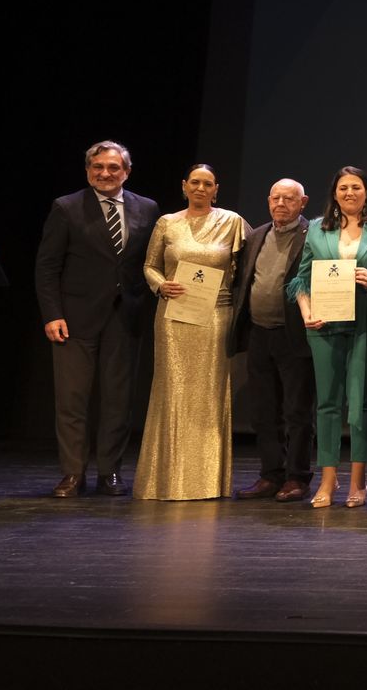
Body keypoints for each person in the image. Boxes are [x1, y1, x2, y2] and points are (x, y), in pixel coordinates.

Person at [35, 140, 160, 498]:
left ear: (127, 171)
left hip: (126, 318)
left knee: (118, 401)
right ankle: (73, 473)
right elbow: (47, 267)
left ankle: (110, 473)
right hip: (74, 319)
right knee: (72, 400)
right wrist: (52, 314)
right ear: (88, 170)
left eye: (113, 168)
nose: (105, 174)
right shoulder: (67, 207)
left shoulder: (148, 209)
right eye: (98, 168)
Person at [135, 164, 249, 500]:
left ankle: (206, 481)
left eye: (208, 184)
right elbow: (149, 265)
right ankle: (164, 480)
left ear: (217, 188)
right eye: (195, 183)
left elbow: (250, 262)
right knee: (173, 391)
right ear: (184, 186)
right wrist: (160, 285)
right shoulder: (167, 223)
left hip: (216, 315)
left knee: (209, 394)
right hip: (174, 316)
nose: (201, 188)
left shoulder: (232, 222)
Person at [290, 166, 367, 508]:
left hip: (366, 321)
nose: (349, 192)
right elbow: (301, 279)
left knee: (362, 401)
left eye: (356, 187)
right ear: (335, 193)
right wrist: (306, 312)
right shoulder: (318, 228)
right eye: (343, 187)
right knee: (328, 403)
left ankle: (358, 480)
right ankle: (328, 480)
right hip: (324, 322)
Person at [228, 178, 315, 504]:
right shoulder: (256, 235)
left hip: (294, 335)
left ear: (302, 202)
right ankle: (270, 474)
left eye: (289, 199)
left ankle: (297, 477)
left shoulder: (314, 235)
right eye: (275, 198)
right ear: (268, 200)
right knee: (263, 411)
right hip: (260, 333)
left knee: (297, 411)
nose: (281, 204)